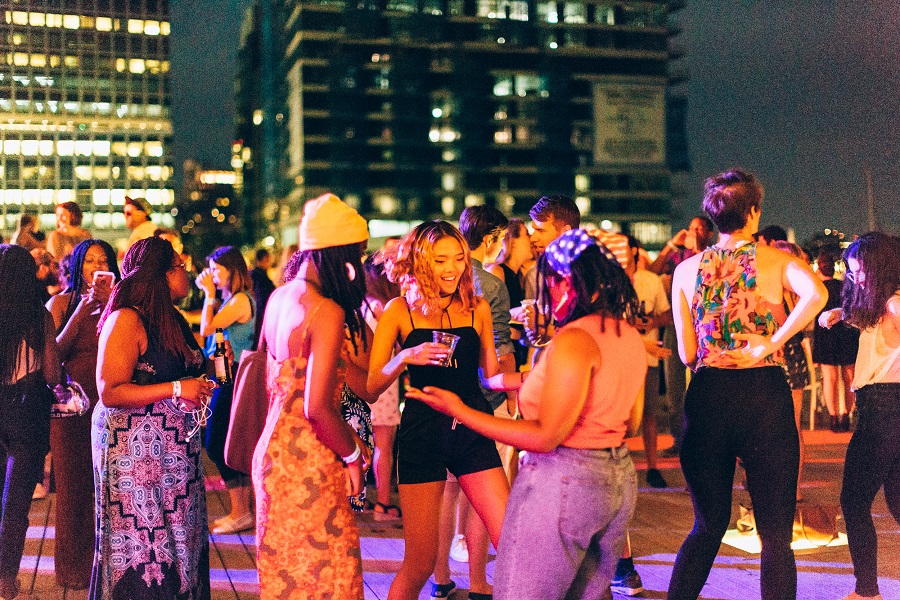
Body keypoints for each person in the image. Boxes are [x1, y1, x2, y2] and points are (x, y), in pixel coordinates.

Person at [408, 228, 647, 599]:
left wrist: (460, 411)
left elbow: (545, 435)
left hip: (565, 481)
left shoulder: (574, 340)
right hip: (616, 481)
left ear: (563, 281)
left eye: (547, 282)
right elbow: (630, 422)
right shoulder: (627, 335)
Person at [667, 170, 826, 600]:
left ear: (711, 214)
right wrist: (772, 340)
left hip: (710, 395)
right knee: (775, 535)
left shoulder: (685, 270)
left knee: (707, 525)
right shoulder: (774, 261)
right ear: (754, 211)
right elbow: (817, 294)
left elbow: (686, 353)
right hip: (763, 394)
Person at [367, 221, 519, 600]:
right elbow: (371, 387)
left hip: (471, 425)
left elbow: (491, 376)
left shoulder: (478, 307)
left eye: (458, 258)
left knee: (512, 545)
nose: (452, 268)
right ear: (421, 261)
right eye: (440, 260)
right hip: (423, 432)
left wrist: (533, 375)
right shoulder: (398, 311)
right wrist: (406, 355)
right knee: (420, 562)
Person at [253, 194, 370, 599]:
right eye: (357, 253)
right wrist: (353, 456)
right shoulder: (326, 311)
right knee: (330, 577)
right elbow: (317, 407)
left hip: (273, 455)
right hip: (310, 460)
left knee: (288, 579)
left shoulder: (278, 297)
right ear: (338, 254)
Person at [91, 236, 217, 600]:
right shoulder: (126, 318)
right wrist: (177, 389)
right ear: (161, 274)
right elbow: (111, 390)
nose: (187, 272)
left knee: (181, 539)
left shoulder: (172, 318)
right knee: (147, 543)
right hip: (136, 459)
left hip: (177, 461)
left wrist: (197, 385)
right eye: (179, 266)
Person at [429, 206, 516, 599]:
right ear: (492, 237)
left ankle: (440, 578)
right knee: (482, 489)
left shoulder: (425, 283)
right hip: (484, 399)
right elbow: (495, 353)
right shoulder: (490, 284)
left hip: (440, 399)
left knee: (446, 492)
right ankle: (480, 582)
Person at [818, 232, 900, 600]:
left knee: (854, 501)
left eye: (860, 269)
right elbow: (870, 324)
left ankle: (866, 592)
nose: (855, 277)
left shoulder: (895, 304)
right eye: (850, 271)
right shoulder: (882, 304)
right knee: (897, 502)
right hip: (883, 408)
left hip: (883, 409)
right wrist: (840, 314)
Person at [45, 239, 120, 590]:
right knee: (73, 489)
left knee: (109, 487)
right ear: (77, 265)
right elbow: (54, 352)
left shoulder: (121, 301)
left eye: (103, 260)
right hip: (72, 407)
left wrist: (110, 307)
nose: (96, 266)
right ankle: (73, 572)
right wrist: (81, 311)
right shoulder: (61, 302)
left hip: (114, 402)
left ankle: (110, 565)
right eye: (89, 260)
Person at [0, 244, 63, 600]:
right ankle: (6, 581)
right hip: (26, 412)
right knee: (16, 503)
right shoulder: (40, 316)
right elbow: (52, 374)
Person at [196, 246, 256, 534]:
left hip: (236, 379)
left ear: (234, 270)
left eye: (218, 270)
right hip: (226, 376)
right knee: (226, 443)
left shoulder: (242, 300)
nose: (213, 276)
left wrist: (208, 294)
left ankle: (241, 510)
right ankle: (241, 511)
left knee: (217, 441)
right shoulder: (232, 299)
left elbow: (207, 328)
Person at [626, 235, 672, 489]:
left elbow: (666, 313)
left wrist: (653, 322)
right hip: (619, 357)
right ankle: (619, 464)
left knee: (649, 413)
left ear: (633, 251)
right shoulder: (611, 281)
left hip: (649, 356)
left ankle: (652, 467)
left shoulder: (650, 280)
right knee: (618, 412)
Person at [362, 254, 403, 520]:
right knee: (383, 445)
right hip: (385, 381)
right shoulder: (384, 307)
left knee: (365, 443)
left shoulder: (362, 304)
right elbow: (397, 347)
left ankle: (359, 499)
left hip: (363, 379)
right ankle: (383, 504)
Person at [772, 240, 814, 501]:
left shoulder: (790, 295)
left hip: (785, 358)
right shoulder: (789, 292)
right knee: (783, 427)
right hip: (780, 358)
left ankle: (793, 489)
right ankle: (787, 488)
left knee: (789, 427)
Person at [813, 250, 859, 432]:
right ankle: (846, 416)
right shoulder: (843, 286)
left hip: (826, 334)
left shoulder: (817, 289)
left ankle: (833, 418)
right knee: (849, 377)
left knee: (829, 378)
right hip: (847, 333)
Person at [250, 248, 276, 347]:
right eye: (267, 259)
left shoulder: (257, 275)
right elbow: (262, 298)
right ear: (264, 259)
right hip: (263, 315)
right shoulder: (259, 277)